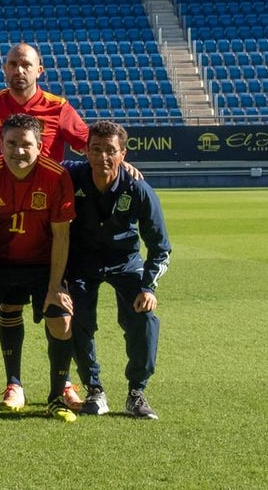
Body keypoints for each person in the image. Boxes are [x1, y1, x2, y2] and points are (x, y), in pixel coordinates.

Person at [0, 113, 78, 422]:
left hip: (42, 264)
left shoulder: (56, 177)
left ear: (40, 146)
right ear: (0, 144)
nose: (18, 151)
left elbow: (61, 236)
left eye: (26, 144)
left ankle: (56, 397)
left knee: (62, 320)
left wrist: (55, 287)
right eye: (11, 144)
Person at [64, 121, 171, 419]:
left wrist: (149, 287)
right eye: (95, 150)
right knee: (78, 318)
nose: (102, 158)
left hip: (126, 262)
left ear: (123, 153)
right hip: (82, 262)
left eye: (110, 151)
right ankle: (94, 390)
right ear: (85, 151)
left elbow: (160, 245)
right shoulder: (71, 175)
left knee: (143, 318)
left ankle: (137, 392)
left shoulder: (137, 188)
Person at [0, 42, 88, 161]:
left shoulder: (58, 107)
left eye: (26, 65)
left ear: (39, 71)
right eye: (13, 64)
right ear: (5, 69)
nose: (19, 70)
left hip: (47, 179)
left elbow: (90, 144)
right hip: (2, 178)